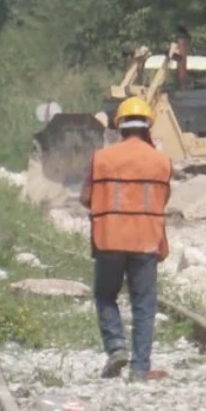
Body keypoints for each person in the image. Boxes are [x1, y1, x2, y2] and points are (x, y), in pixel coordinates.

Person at [79, 96, 173, 382]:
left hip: (108, 239)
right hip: (145, 241)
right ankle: (140, 369)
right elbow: (163, 199)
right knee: (144, 304)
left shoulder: (101, 158)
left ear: (119, 127)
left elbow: (86, 198)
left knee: (105, 295)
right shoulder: (161, 161)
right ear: (148, 127)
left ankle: (116, 347)